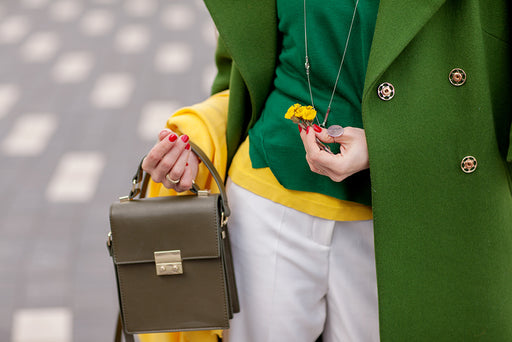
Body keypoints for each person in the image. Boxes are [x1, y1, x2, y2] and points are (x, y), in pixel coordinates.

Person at [140, 0, 512, 341]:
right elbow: (243, 77)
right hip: (264, 199)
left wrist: (390, 143)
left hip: (409, 215)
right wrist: (197, 139)